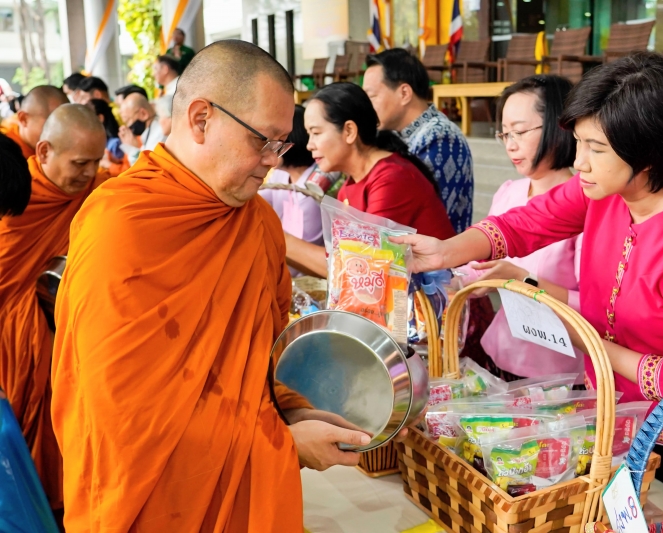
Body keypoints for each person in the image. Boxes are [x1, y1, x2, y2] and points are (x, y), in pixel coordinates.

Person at [395, 52, 663, 509]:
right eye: (579, 142)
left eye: (596, 148)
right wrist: (446, 251)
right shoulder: (608, 191)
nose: (580, 162)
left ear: (649, 150)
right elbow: (527, 222)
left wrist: (582, 334)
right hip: (618, 421)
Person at [51, 40, 384, 531]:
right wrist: (282, 446)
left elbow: (260, 357)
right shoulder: (121, 226)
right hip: (154, 502)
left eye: (281, 145)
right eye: (262, 140)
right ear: (201, 118)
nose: (272, 161)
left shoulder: (258, 223)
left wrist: (295, 410)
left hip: (240, 489)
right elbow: (119, 416)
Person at [0, 104, 108, 511]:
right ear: (44, 151)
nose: (89, 173)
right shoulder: (13, 193)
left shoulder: (102, 195)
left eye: (96, 161)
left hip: (72, 347)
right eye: (80, 163)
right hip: (14, 350)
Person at [458, 75, 582, 381]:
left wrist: (521, 280)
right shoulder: (509, 192)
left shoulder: (584, 205)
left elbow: (594, 306)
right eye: (505, 134)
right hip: (503, 353)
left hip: (559, 372)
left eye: (520, 132)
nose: (510, 145)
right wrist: (449, 280)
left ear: (557, 125)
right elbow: (480, 264)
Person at [283, 82, 455, 278]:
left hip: (441, 295)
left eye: (316, 133)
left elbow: (363, 268)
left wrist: (281, 238)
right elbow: (342, 263)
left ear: (349, 131)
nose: (309, 145)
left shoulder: (392, 179)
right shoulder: (348, 186)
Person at [363, 48, 473, 233]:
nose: (366, 106)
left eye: (371, 96)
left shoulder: (440, 137)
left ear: (404, 93)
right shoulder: (397, 134)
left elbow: (421, 214)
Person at [259, 105, 324, 276]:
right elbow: (256, 204)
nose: (268, 147)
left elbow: (303, 254)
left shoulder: (313, 188)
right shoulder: (280, 175)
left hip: (303, 277)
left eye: (276, 141)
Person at [0, 85, 68, 159]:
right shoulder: (5, 149)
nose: (60, 135)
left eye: (65, 126)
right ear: (24, 119)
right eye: (51, 125)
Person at [118, 92, 166, 164]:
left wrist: (133, 150)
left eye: (128, 120)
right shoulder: (149, 132)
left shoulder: (160, 133)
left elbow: (149, 166)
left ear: (143, 114)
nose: (128, 126)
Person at [85, 98, 128, 176]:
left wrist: (107, 164)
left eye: (88, 120)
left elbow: (127, 171)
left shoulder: (115, 144)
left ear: (100, 118)